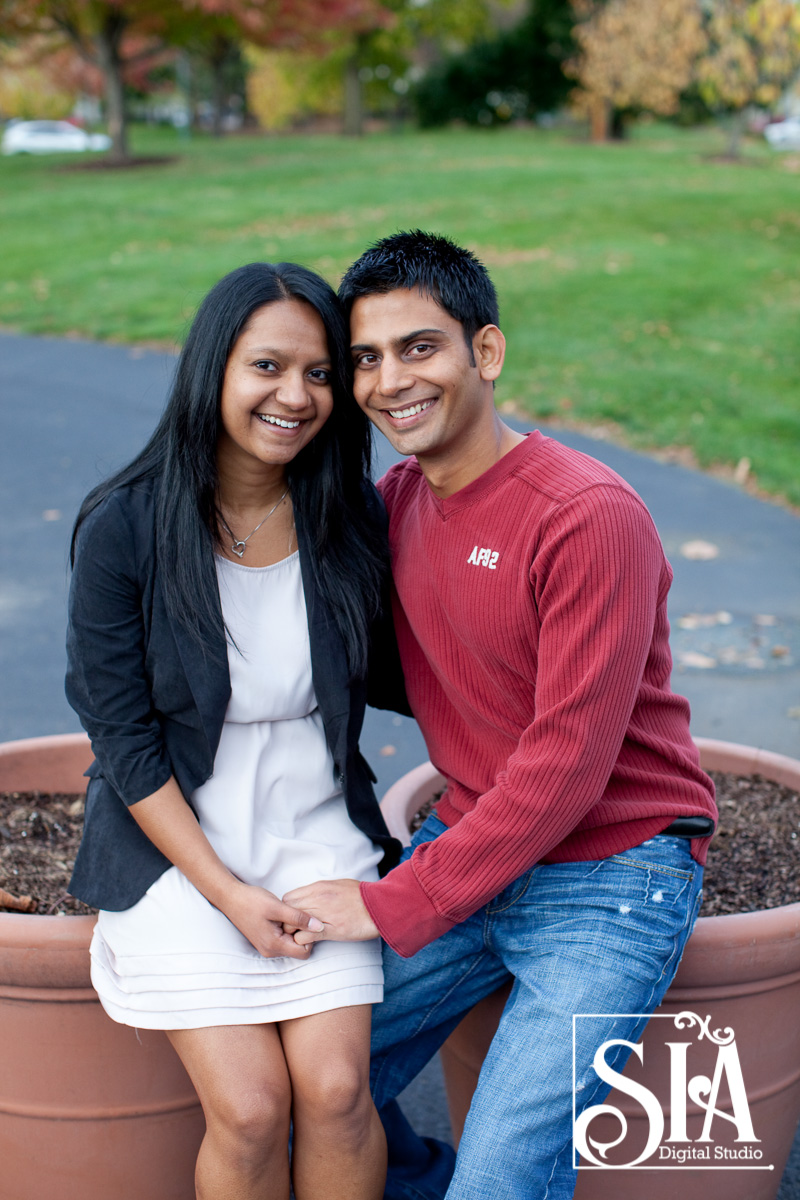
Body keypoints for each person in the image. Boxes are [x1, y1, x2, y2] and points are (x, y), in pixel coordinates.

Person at [284, 231, 718, 1199]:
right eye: (366, 357)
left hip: (613, 871)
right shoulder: (398, 501)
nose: (389, 379)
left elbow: (566, 763)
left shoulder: (584, 517)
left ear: (485, 352)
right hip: (475, 836)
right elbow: (404, 662)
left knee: (501, 1178)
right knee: (304, 1077)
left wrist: (389, 901)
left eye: (418, 348)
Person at [65, 261, 403, 1200]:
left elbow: (408, 669)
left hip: (313, 828)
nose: (295, 396)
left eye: (322, 373)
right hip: (178, 849)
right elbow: (122, 740)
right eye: (267, 366)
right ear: (213, 368)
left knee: (336, 1092)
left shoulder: (346, 514)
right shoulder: (125, 525)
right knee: (252, 1108)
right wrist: (226, 894)